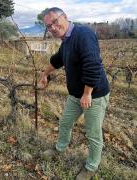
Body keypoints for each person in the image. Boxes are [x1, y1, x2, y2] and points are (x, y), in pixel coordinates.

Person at [39, 7, 110, 180]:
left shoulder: (83, 34)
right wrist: (44, 74)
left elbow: (93, 65)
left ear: (65, 17)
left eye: (55, 22)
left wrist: (87, 94)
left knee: (93, 133)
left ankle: (91, 166)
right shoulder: (67, 41)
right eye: (49, 26)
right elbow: (57, 60)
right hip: (76, 94)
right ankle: (60, 148)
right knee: (65, 122)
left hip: (94, 94)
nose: (53, 27)